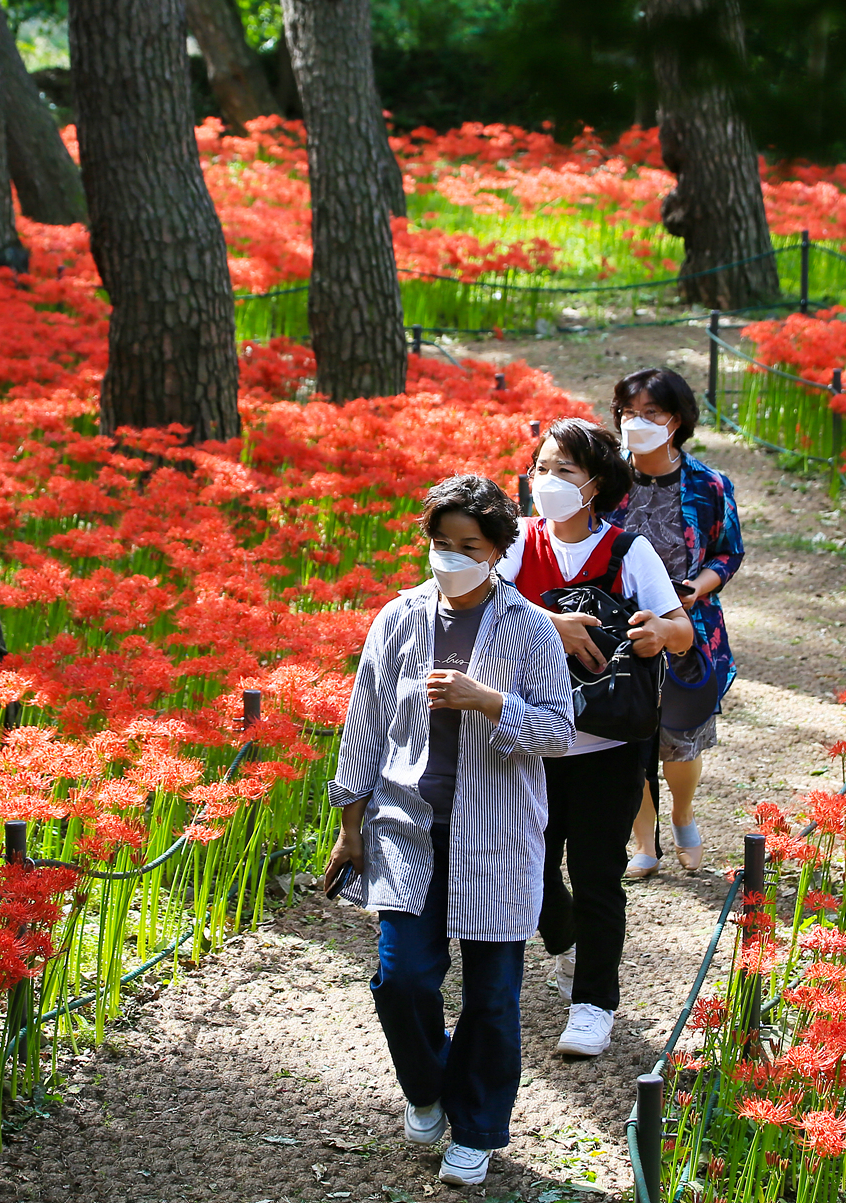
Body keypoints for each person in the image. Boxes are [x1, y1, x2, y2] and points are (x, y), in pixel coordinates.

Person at [324, 474, 575, 1188]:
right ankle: (428, 1084)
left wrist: (490, 701)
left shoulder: (529, 626)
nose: (452, 556)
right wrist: (350, 826)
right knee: (401, 978)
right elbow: (364, 723)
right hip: (406, 826)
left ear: (498, 551)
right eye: (441, 542)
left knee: (493, 994)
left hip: (496, 832)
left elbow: (558, 729)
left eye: (469, 545)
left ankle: (480, 1126)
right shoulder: (399, 617)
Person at [493, 419, 694, 1058]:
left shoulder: (630, 551)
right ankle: (564, 940)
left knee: (598, 872)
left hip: (608, 743)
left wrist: (659, 636)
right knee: (530, 867)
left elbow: (681, 629)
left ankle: (593, 1005)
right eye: (541, 469)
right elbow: (480, 608)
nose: (545, 483)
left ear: (597, 484)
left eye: (564, 472)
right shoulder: (518, 545)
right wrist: (551, 620)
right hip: (529, 742)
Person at [611, 367, 745, 877]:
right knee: (632, 733)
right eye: (628, 412)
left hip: (690, 626)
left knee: (680, 735)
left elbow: (727, 553)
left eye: (651, 413)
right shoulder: (607, 480)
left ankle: (683, 814)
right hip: (621, 625)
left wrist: (694, 589)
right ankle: (644, 840)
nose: (636, 422)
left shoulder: (708, 485)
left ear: (677, 420)